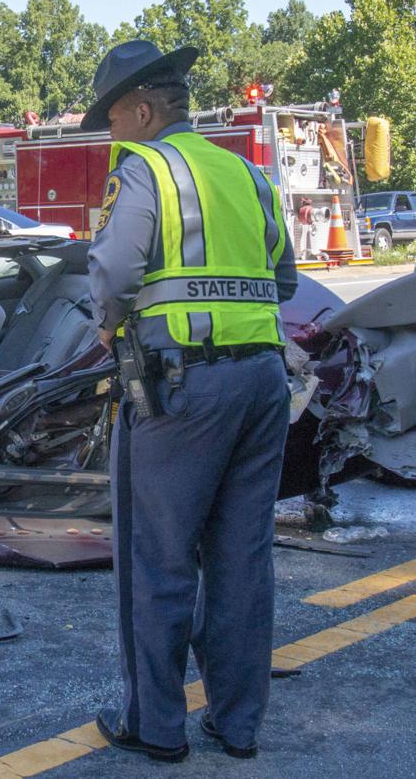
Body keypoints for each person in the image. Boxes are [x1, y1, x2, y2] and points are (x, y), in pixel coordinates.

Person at [84, 40, 297, 763]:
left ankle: (157, 727)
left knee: (159, 557)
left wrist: (108, 324)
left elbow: (113, 270)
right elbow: (284, 278)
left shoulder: (145, 168)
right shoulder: (245, 172)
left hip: (181, 391)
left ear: (141, 110)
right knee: (243, 558)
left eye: (113, 120)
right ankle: (237, 725)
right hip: (263, 383)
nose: (112, 137)